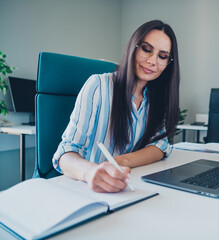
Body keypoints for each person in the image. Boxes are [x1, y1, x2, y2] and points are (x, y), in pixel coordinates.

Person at [52, 20, 180, 193]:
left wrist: (121, 162)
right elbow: (64, 154)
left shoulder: (155, 99)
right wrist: (91, 172)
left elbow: (160, 145)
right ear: (133, 48)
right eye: (146, 49)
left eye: (162, 56)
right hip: (86, 190)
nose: (152, 61)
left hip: (125, 187)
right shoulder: (98, 85)